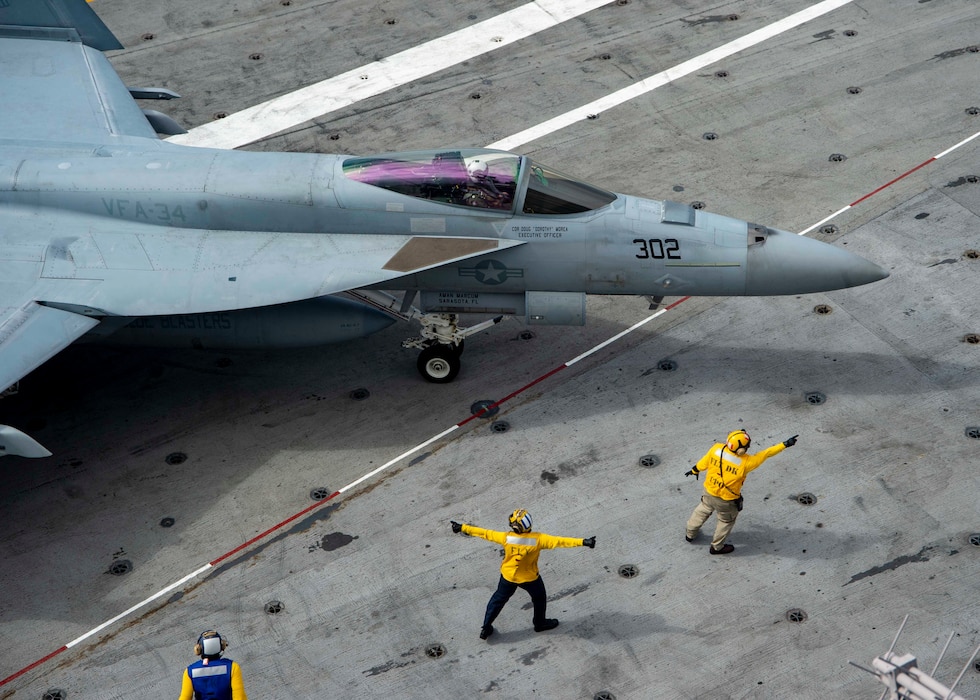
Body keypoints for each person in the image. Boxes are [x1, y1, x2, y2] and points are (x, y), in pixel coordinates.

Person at [451, 509, 595, 639]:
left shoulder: (506, 538)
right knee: (539, 598)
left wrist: (462, 527)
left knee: (497, 600)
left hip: (507, 576)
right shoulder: (538, 540)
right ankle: (539, 623)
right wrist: (584, 542)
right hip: (529, 578)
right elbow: (561, 541)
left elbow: (485, 533)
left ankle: (486, 627)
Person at [684, 429, 798, 554]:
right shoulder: (747, 462)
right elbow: (766, 453)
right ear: (741, 450)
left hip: (709, 492)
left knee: (702, 510)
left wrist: (695, 470)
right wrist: (785, 444)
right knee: (725, 521)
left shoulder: (716, 449)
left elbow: (703, 462)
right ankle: (717, 547)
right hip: (726, 500)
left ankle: (690, 534)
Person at [178, 630, 248, 700]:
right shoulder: (233, 667)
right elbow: (240, 697)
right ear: (222, 646)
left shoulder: (189, 672)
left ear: (198, 649)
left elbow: (184, 698)